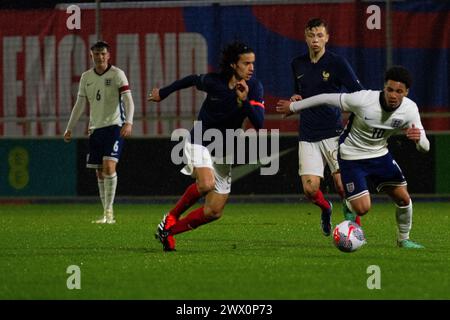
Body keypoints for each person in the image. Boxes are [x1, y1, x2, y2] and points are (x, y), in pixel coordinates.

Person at [277, 65, 428, 248]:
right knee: (362, 209)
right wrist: (293, 106)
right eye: (389, 89)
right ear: (384, 87)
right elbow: (325, 98)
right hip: (352, 156)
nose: (393, 95)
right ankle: (349, 203)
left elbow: (425, 147)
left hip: (380, 155)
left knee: (404, 199)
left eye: (399, 91)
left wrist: (419, 140)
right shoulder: (363, 100)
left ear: (406, 92)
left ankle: (403, 240)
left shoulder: (410, 110)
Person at [148, 41, 264, 251]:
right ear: (233, 65)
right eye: (246, 63)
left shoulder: (254, 87)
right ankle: (172, 216)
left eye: (252, 63)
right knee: (206, 184)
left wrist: (244, 100)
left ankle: (168, 231)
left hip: (224, 150)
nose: (251, 68)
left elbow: (259, 122)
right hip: (200, 140)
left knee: (213, 212)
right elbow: (192, 80)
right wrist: (163, 93)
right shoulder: (214, 82)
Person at [289, 18, 364, 235]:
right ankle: (326, 208)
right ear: (305, 37)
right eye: (311, 35)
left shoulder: (337, 63)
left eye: (320, 35)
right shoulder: (297, 63)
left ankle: (355, 230)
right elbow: (300, 93)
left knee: (343, 186)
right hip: (308, 134)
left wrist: (354, 118)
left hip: (333, 132)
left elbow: (358, 93)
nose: (315, 40)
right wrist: (296, 98)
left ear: (327, 38)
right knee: (310, 190)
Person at [64, 40, 135, 224]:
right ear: (91, 55)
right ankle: (105, 213)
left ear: (108, 55)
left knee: (109, 167)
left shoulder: (118, 74)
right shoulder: (86, 77)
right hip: (95, 129)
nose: (100, 57)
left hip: (115, 126)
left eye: (103, 54)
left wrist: (128, 122)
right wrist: (69, 128)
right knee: (99, 172)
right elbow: (80, 105)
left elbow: (129, 101)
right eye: (96, 54)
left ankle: (110, 212)